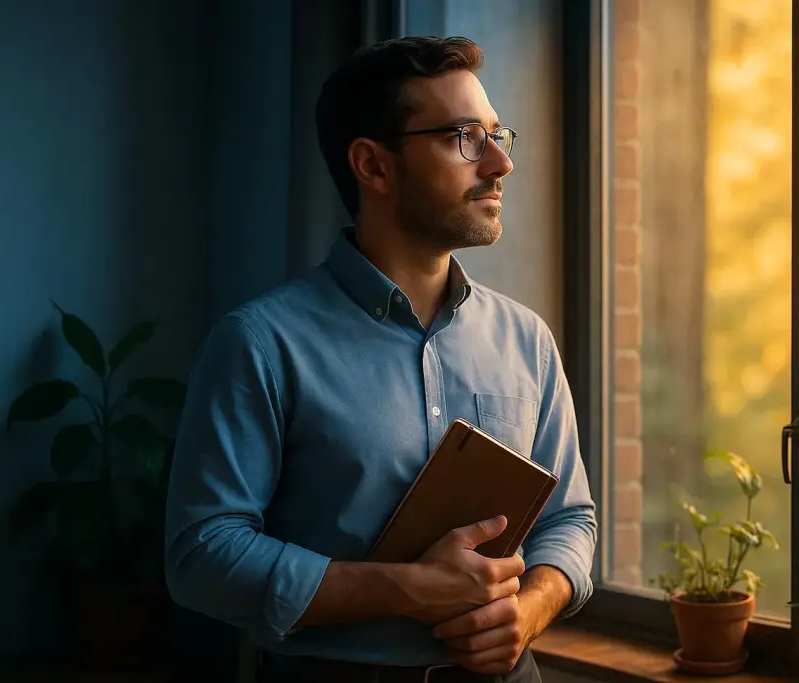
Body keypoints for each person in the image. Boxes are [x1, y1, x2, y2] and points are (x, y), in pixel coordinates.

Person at [163, 35, 597, 683]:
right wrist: (405, 588)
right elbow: (202, 556)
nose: (501, 162)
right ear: (374, 166)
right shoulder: (258, 342)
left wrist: (531, 609)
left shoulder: (527, 338)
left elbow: (571, 518)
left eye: (497, 133)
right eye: (464, 137)